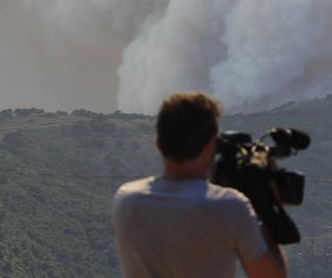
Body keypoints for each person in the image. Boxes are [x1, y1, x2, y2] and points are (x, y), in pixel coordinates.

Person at [113, 91, 288, 278]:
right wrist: (265, 206)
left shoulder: (127, 199)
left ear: (158, 144)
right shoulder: (230, 206)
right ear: (211, 145)